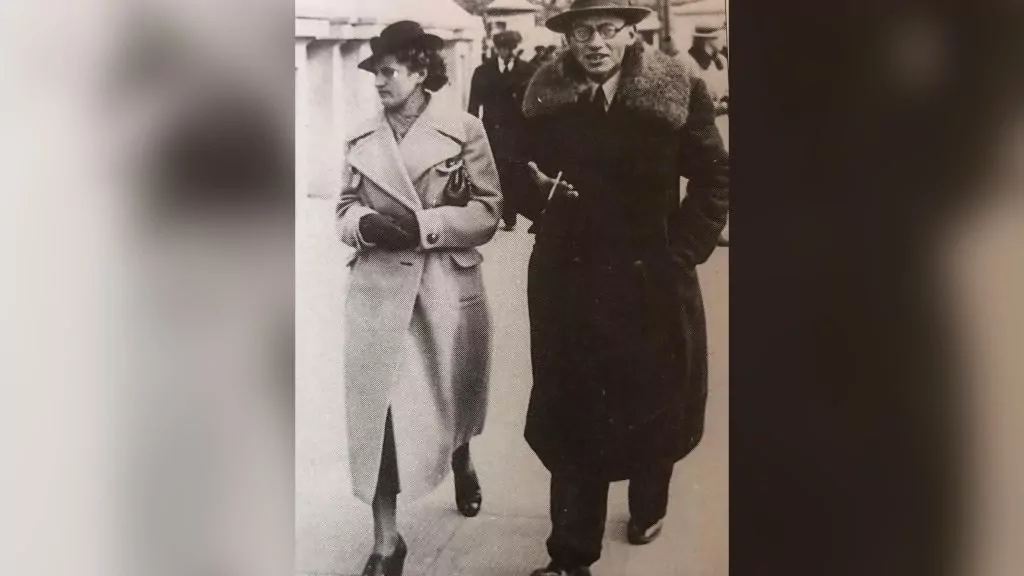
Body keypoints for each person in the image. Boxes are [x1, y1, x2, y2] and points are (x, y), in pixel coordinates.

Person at [515, 1, 729, 574]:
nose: (596, 43)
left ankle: (648, 503)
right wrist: (534, 193)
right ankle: (570, 555)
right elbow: (514, 170)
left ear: (632, 32)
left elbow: (715, 176)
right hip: (570, 280)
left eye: (608, 30)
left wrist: (682, 252)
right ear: (567, 38)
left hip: (652, 279)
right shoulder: (543, 96)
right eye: (583, 31)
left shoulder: (677, 88)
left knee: (655, 400)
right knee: (574, 413)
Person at [334, 20, 502, 576]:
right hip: (379, 290)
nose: (379, 82)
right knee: (376, 411)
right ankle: (386, 541)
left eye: (388, 71)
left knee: (451, 392)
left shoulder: (463, 129)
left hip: (443, 283)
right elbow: (342, 209)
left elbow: (488, 210)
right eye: (375, 74)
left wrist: (426, 226)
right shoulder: (360, 138)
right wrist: (364, 225)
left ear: (420, 70)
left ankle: (462, 458)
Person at [468, 30, 537, 231]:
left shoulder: (529, 70)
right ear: (497, 49)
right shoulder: (483, 72)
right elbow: (473, 106)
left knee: (515, 172)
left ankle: (511, 212)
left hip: (519, 132)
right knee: (495, 172)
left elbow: (535, 104)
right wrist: (472, 133)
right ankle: (500, 211)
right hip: (492, 131)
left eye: (514, 47)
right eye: (507, 48)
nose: (511, 52)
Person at [684, 22, 729, 115]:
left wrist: (725, 103)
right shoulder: (688, 62)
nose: (725, 41)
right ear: (708, 40)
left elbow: (726, 90)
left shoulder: (722, 60)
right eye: (721, 37)